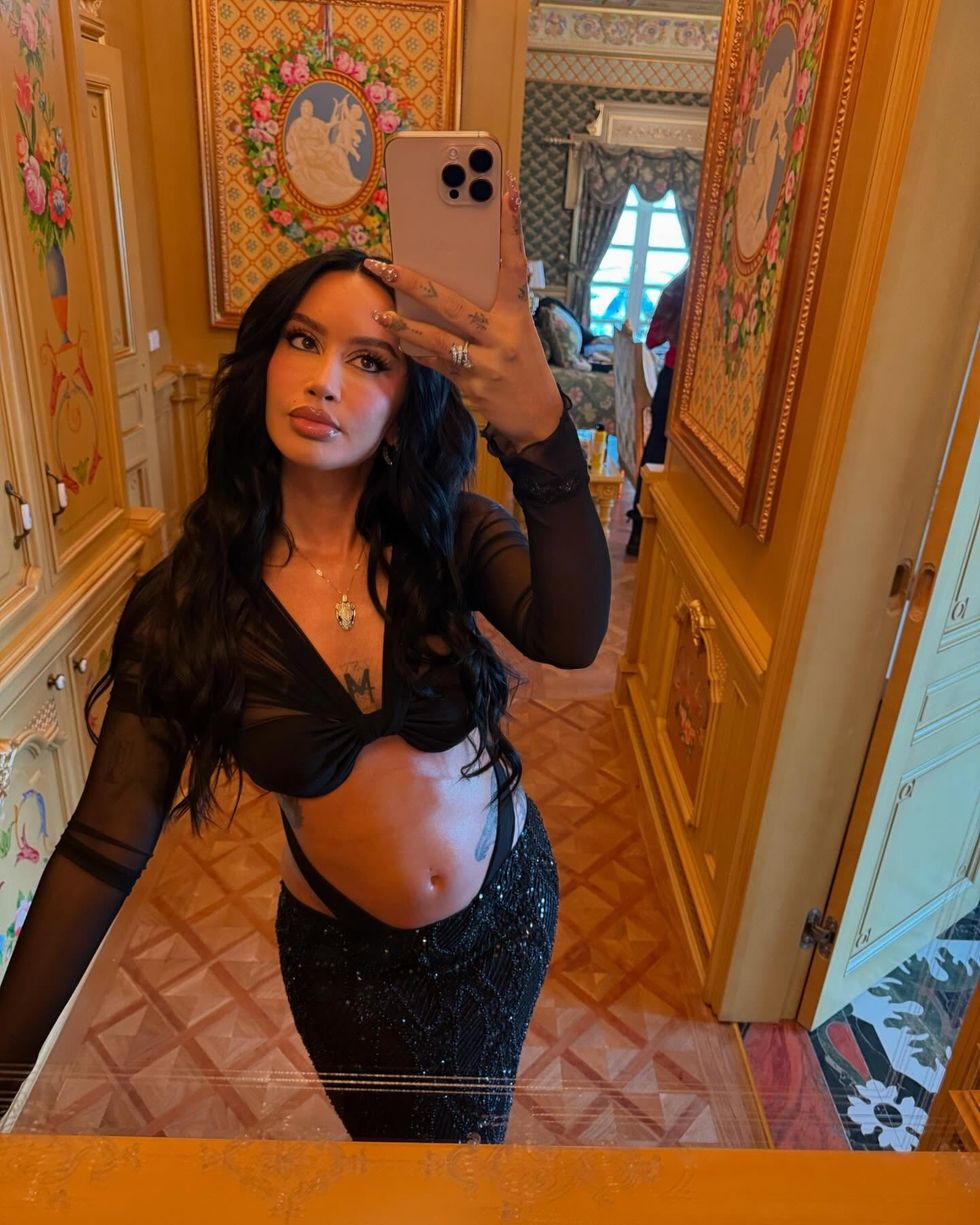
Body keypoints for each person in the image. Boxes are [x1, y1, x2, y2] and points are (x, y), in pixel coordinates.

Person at [0, 174, 611, 1142]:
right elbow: (98, 849)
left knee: (477, 1142)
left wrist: (541, 433)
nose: (325, 380)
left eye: (369, 359)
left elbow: (571, 635)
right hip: (347, 968)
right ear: (264, 364)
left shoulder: (449, 536)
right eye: (302, 341)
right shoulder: (190, 605)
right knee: (398, 1167)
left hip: (507, 909)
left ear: (404, 402)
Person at [625, 265, 688, 557]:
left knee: (656, 450)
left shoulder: (679, 286)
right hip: (693, 382)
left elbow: (654, 339)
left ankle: (640, 529)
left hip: (673, 378)